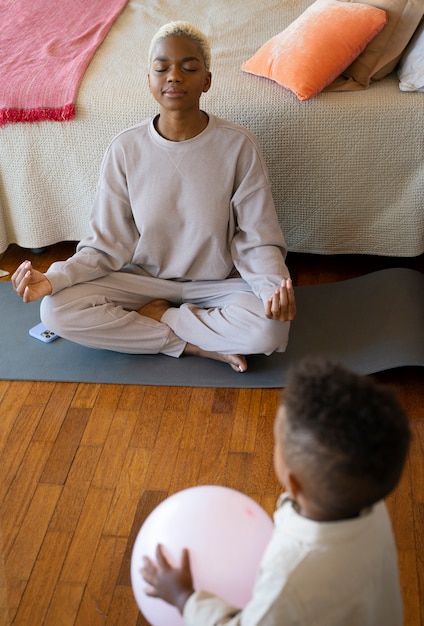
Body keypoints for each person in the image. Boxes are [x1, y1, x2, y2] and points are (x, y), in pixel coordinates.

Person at [11, 21, 296, 373]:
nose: (174, 76)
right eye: (162, 68)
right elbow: (104, 245)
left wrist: (272, 291)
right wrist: (54, 279)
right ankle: (190, 344)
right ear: (149, 80)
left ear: (207, 80)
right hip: (140, 281)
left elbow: (257, 239)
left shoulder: (238, 146)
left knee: (270, 330)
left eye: (189, 68)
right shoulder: (125, 149)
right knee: (54, 310)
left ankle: (161, 317)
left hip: (216, 284)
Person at [141, 358, 411, 625]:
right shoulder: (367, 498)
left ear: (293, 483)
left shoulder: (287, 584)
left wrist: (185, 598)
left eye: (277, 441)